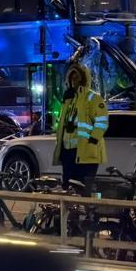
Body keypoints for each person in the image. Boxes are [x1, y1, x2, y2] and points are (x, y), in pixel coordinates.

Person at [52, 63, 108, 195]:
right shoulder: (68, 100)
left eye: (77, 78)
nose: (74, 81)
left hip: (86, 152)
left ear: (84, 79)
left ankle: (88, 215)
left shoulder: (93, 98)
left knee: (83, 190)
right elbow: (61, 123)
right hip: (69, 151)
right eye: (72, 78)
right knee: (68, 189)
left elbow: (102, 121)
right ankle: (72, 215)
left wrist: (93, 139)